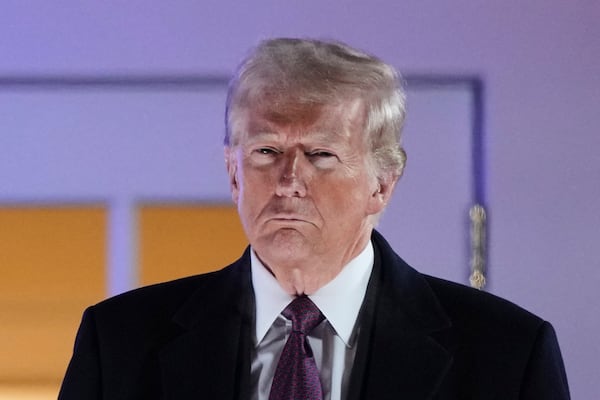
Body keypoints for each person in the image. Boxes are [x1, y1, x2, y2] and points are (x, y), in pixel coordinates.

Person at [59, 38, 570, 399]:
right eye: (265, 151)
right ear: (233, 174)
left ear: (382, 183)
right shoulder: (120, 342)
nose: (288, 180)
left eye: (321, 154)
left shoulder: (507, 354)